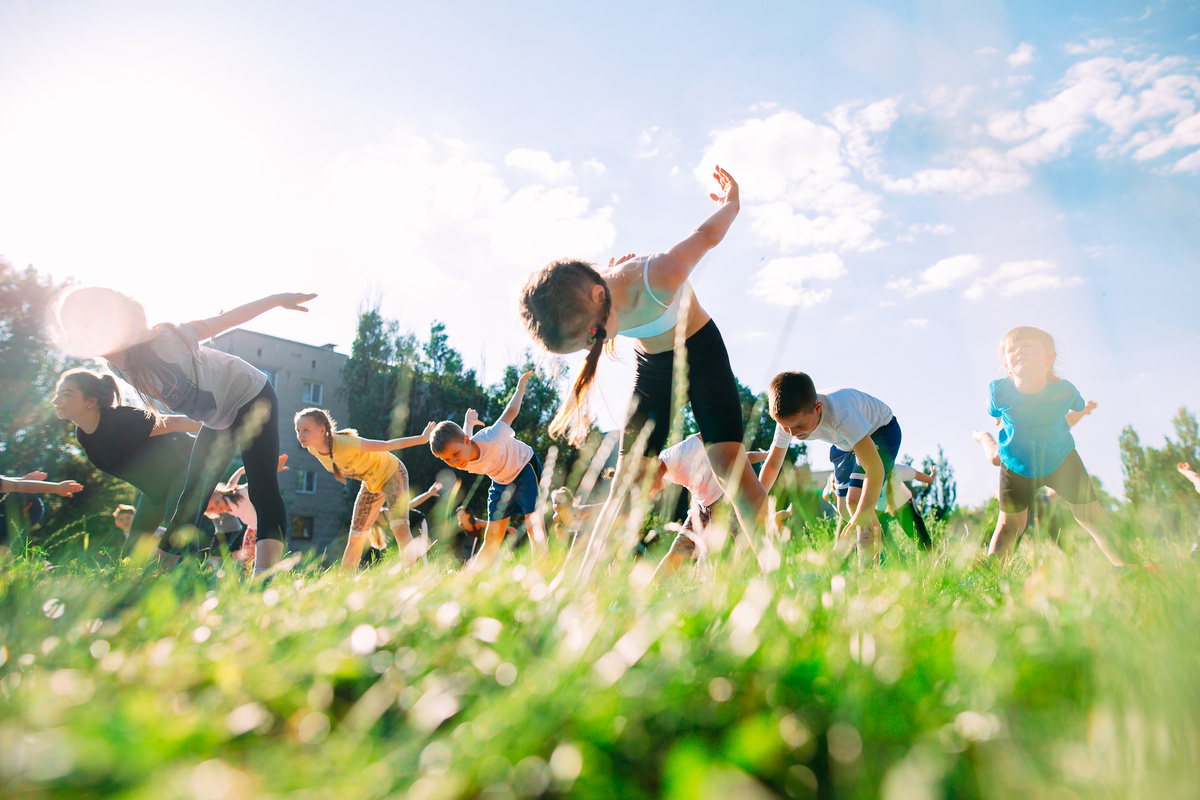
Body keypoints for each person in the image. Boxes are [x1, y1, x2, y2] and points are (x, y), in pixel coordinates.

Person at [518, 166, 769, 569]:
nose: (592, 348)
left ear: (600, 294)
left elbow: (706, 237)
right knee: (626, 480)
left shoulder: (658, 274)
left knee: (727, 464)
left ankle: (778, 568)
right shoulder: (593, 294)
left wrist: (731, 204)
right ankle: (578, 582)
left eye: (591, 336)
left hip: (701, 352)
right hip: (653, 368)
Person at [55, 287, 315, 575]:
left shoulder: (164, 340)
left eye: (77, 325)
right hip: (218, 419)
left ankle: (265, 575)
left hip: (251, 395)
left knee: (262, 489)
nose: (71, 335)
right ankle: (157, 575)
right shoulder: (119, 368)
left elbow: (226, 320)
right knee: (191, 499)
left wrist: (277, 300)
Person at [979, 326, 1124, 565]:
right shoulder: (999, 391)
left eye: (1027, 347)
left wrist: (1084, 408)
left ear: (1049, 358)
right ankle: (991, 575)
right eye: (1012, 349)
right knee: (1009, 526)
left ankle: (1129, 567)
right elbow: (994, 411)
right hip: (1017, 464)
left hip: (1061, 460)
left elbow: (1077, 405)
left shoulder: (1064, 390)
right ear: (1006, 364)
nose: (1019, 352)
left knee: (1091, 516)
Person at [759, 371, 902, 564]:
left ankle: (870, 574)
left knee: (856, 503)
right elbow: (774, 464)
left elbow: (874, 468)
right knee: (845, 510)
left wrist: (863, 512)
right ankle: (891, 556)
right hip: (844, 443)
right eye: (786, 428)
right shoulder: (789, 421)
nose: (792, 433)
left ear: (818, 408)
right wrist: (756, 504)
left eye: (799, 426)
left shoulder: (842, 415)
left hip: (880, 431)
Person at [53, 368, 201, 553]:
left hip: (185, 467)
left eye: (66, 394)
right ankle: (134, 580)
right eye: (58, 394)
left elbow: (174, 423)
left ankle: (198, 571)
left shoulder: (121, 420)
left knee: (177, 526)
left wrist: (224, 425)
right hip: (155, 490)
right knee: (131, 548)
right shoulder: (84, 436)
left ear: (91, 401)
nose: (56, 401)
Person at [429, 370, 547, 571]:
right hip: (501, 482)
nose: (454, 461)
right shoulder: (463, 458)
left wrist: (519, 388)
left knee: (532, 522)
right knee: (492, 536)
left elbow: (510, 413)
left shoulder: (493, 437)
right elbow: (465, 438)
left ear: (466, 442)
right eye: (446, 459)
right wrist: (468, 422)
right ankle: (470, 577)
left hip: (524, 466)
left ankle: (543, 568)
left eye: (455, 454)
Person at [293, 408, 434, 573]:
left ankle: (411, 576)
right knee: (356, 536)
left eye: (306, 430)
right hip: (372, 483)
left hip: (392, 473)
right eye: (298, 430)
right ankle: (343, 581)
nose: (300, 435)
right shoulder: (313, 449)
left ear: (322, 430)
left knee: (399, 527)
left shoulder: (345, 443)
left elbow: (386, 445)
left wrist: (422, 438)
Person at [646, 434, 775, 579]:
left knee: (750, 539)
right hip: (701, 507)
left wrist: (768, 455)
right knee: (677, 551)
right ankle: (650, 589)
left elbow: (704, 433)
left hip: (722, 500)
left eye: (647, 490)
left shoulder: (677, 454)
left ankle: (772, 576)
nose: (651, 495)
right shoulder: (666, 465)